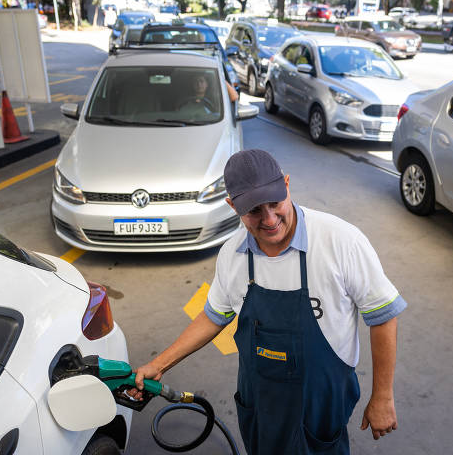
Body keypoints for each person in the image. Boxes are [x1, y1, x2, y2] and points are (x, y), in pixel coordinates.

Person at [134, 149, 406, 454]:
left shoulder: (341, 241)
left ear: (286, 185)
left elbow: (383, 315)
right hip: (260, 403)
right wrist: (159, 364)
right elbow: (214, 316)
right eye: (254, 210)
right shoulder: (232, 255)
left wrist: (383, 396)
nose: (270, 219)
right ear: (232, 206)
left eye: (275, 203)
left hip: (320, 404)